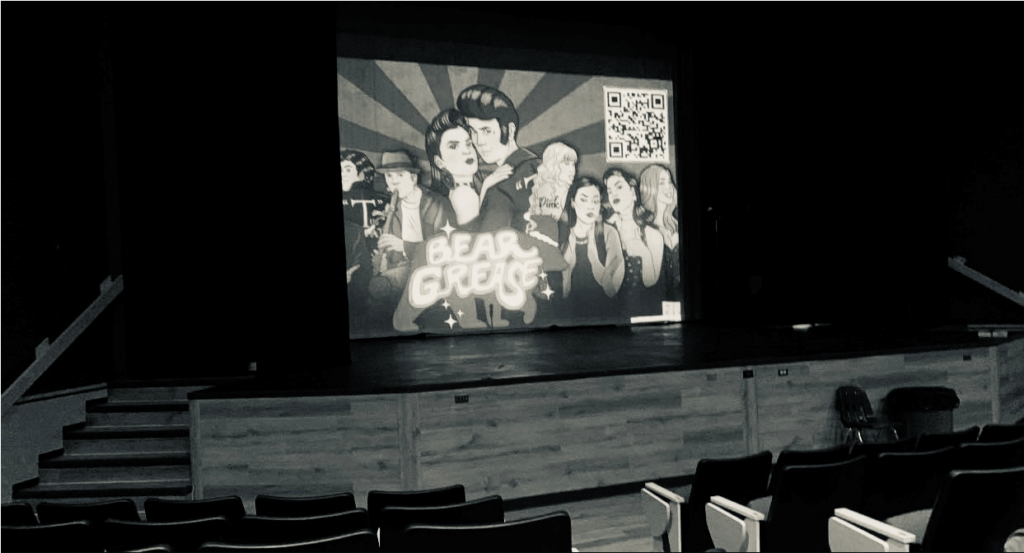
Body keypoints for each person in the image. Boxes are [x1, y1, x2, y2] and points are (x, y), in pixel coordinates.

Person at [457, 84, 540, 234]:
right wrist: (485, 187)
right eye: (473, 131)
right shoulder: (537, 165)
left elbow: (480, 241)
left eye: (486, 131)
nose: (479, 141)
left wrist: (486, 190)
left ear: (510, 130)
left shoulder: (499, 190)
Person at [559, 176, 624, 322]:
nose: (591, 206)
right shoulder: (562, 235)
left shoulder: (609, 233)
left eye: (596, 201)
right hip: (567, 318)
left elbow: (610, 290)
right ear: (573, 202)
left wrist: (593, 256)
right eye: (584, 200)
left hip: (606, 318)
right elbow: (561, 292)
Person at [604, 167, 664, 318]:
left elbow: (651, 282)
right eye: (610, 191)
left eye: (619, 187)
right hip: (609, 316)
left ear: (632, 192)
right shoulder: (606, 231)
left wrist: (643, 252)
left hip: (642, 313)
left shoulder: (652, 234)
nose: (613, 194)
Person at [425, 109, 482, 227]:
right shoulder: (464, 195)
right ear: (440, 162)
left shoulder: (467, 191)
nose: (467, 151)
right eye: (454, 146)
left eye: (468, 143)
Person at [639, 164, 681, 302]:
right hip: (654, 302)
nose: (669, 187)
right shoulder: (643, 231)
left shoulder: (679, 225)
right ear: (650, 188)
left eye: (669, 182)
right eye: (662, 183)